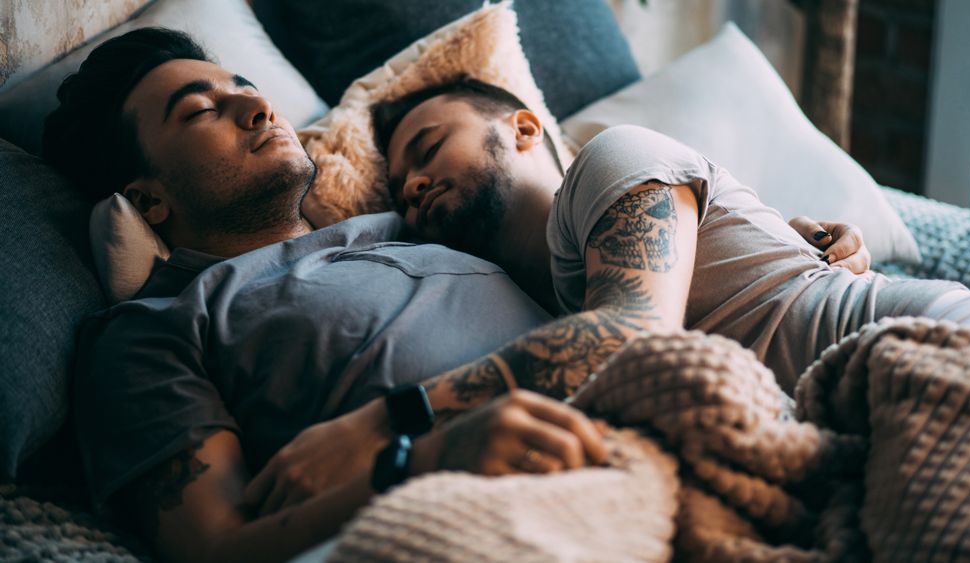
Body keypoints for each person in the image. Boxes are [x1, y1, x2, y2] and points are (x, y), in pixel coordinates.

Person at [44, 29, 877, 562]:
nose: (252, 102)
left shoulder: (417, 226)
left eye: (238, 83)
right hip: (503, 503)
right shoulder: (149, 331)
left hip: (689, 429)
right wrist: (423, 455)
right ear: (148, 201)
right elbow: (213, 546)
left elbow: (614, 276)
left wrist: (779, 236)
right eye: (201, 110)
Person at [372, 77, 970, 390]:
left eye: (428, 149)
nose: (414, 185)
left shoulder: (611, 157)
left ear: (525, 129)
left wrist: (396, 422)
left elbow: (631, 337)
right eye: (400, 186)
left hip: (937, 343)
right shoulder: (538, 305)